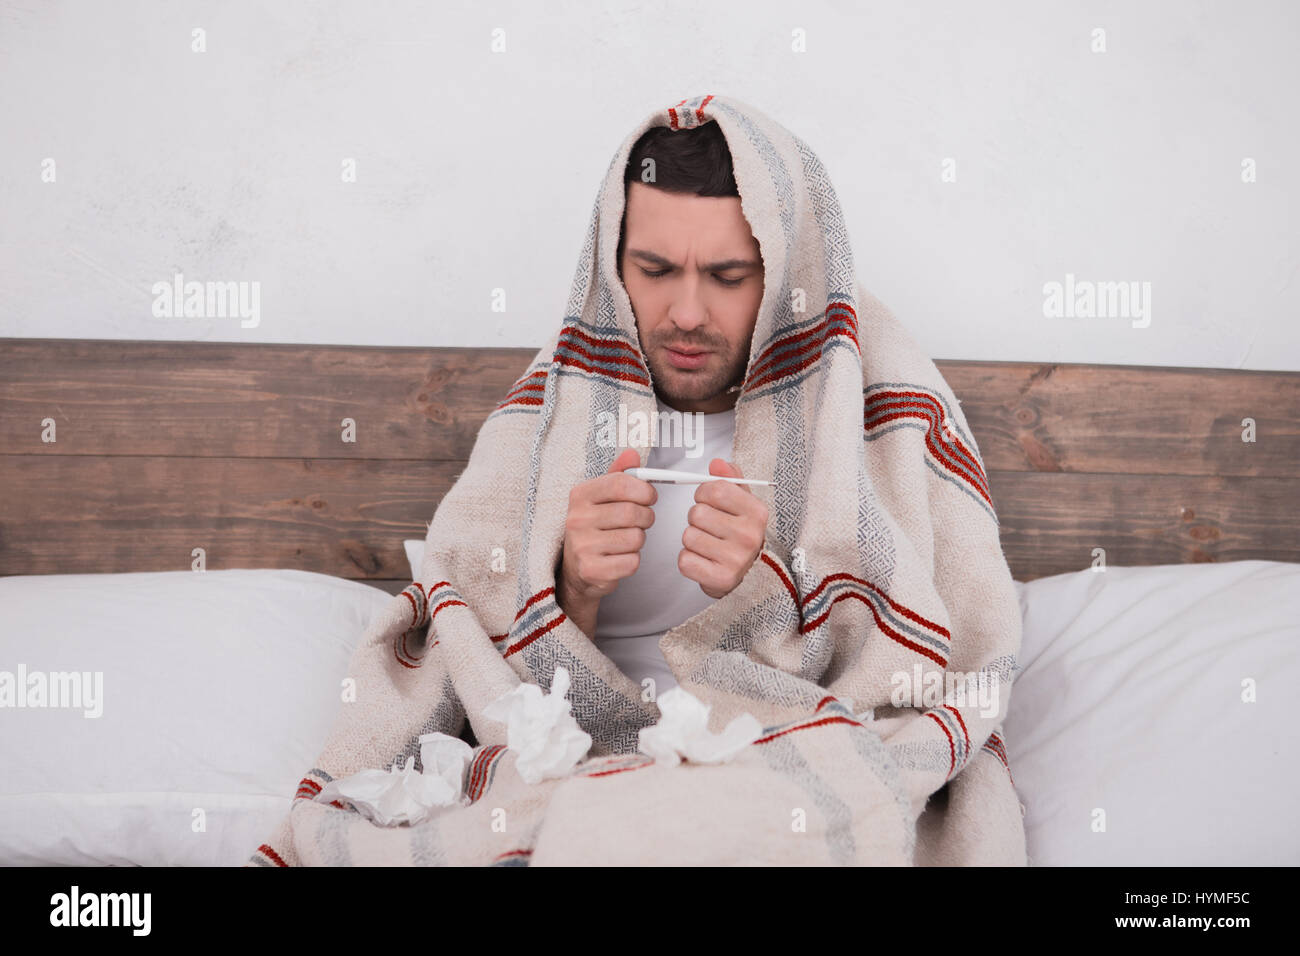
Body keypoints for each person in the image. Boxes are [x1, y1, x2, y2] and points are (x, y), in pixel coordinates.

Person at [554, 122, 768, 698]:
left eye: (727, 277)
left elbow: (903, 664)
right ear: (612, 271)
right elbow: (479, 674)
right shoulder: (544, 424)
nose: (689, 315)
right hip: (588, 755)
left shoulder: (860, 434)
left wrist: (764, 599)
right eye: (655, 272)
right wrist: (574, 588)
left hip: (759, 756)